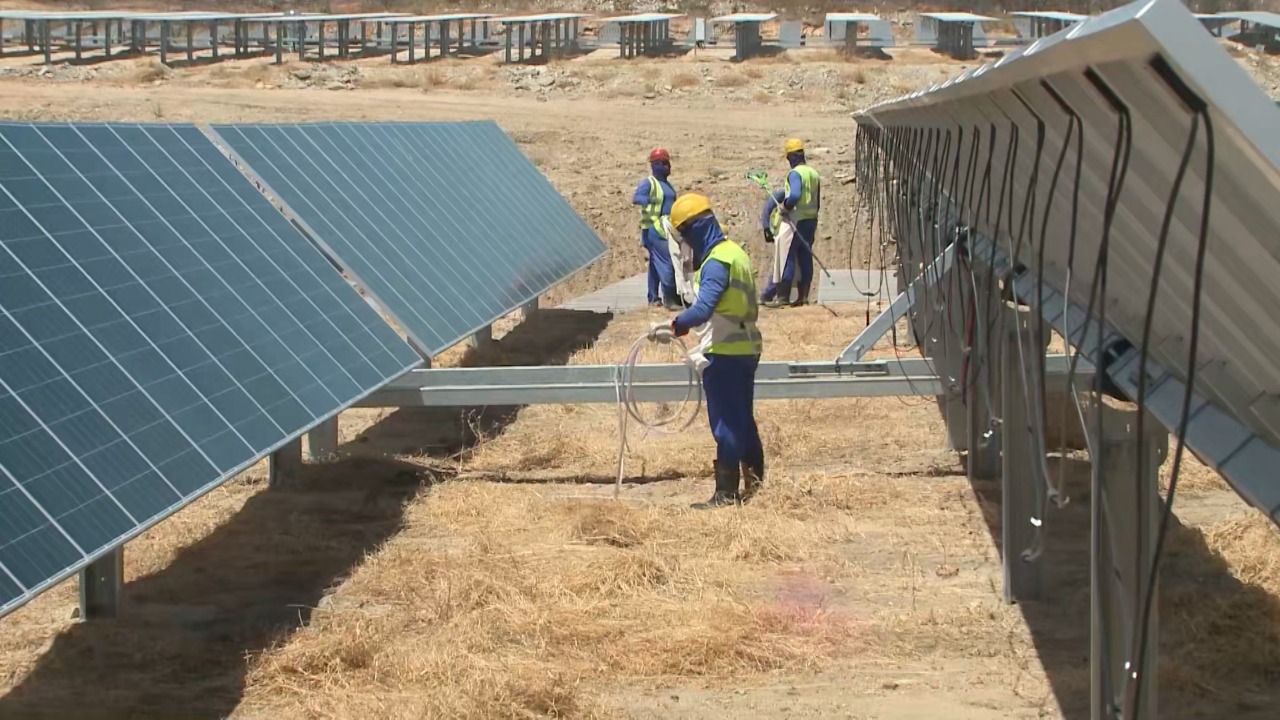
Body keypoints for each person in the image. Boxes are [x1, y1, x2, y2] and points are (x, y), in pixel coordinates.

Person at [654, 192, 765, 509]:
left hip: (724, 352)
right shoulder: (736, 254)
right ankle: (756, 482)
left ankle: (726, 494)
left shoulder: (716, 263)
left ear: (693, 229)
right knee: (743, 418)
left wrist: (676, 324)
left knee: (726, 422)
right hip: (746, 348)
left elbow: (703, 310)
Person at [760, 138, 821, 307]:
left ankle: (783, 297)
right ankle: (803, 296)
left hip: (795, 220)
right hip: (810, 221)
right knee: (804, 256)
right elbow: (818, 200)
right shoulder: (814, 173)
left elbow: (794, 195)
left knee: (786, 256)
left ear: (791, 157)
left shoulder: (795, 174)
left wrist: (785, 208)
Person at [631, 148, 682, 311]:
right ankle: (670, 298)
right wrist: (647, 200)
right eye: (664, 163)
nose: (668, 166)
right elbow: (636, 197)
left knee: (655, 264)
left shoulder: (667, 185)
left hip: (667, 228)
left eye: (668, 163)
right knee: (667, 262)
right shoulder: (649, 182)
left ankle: (653, 298)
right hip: (654, 229)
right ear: (655, 165)